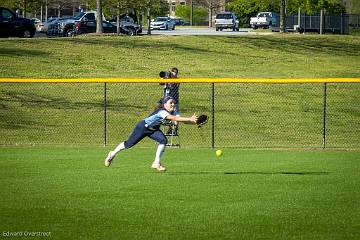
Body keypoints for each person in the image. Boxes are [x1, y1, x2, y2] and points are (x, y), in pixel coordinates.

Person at [104, 96, 198, 171]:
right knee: (128, 144)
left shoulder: (174, 112)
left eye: (174, 103)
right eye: (170, 103)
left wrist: (194, 122)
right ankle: (112, 154)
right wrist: (189, 118)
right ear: (164, 104)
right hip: (143, 127)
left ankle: (156, 162)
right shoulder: (161, 112)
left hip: (153, 129)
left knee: (163, 140)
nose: (173, 104)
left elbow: (180, 120)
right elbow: (175, 119)